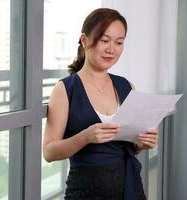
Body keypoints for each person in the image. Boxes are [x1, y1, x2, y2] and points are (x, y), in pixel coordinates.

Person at [43, 8, 158, 200]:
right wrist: (85, 137)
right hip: (86, 192)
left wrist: (144, 142)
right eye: (104, 41)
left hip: (131, 190)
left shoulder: (127, 86)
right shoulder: (65, 89)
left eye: (119, 42)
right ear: (84, 40)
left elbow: (132, 145)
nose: (111, 49)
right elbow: (49, 152)